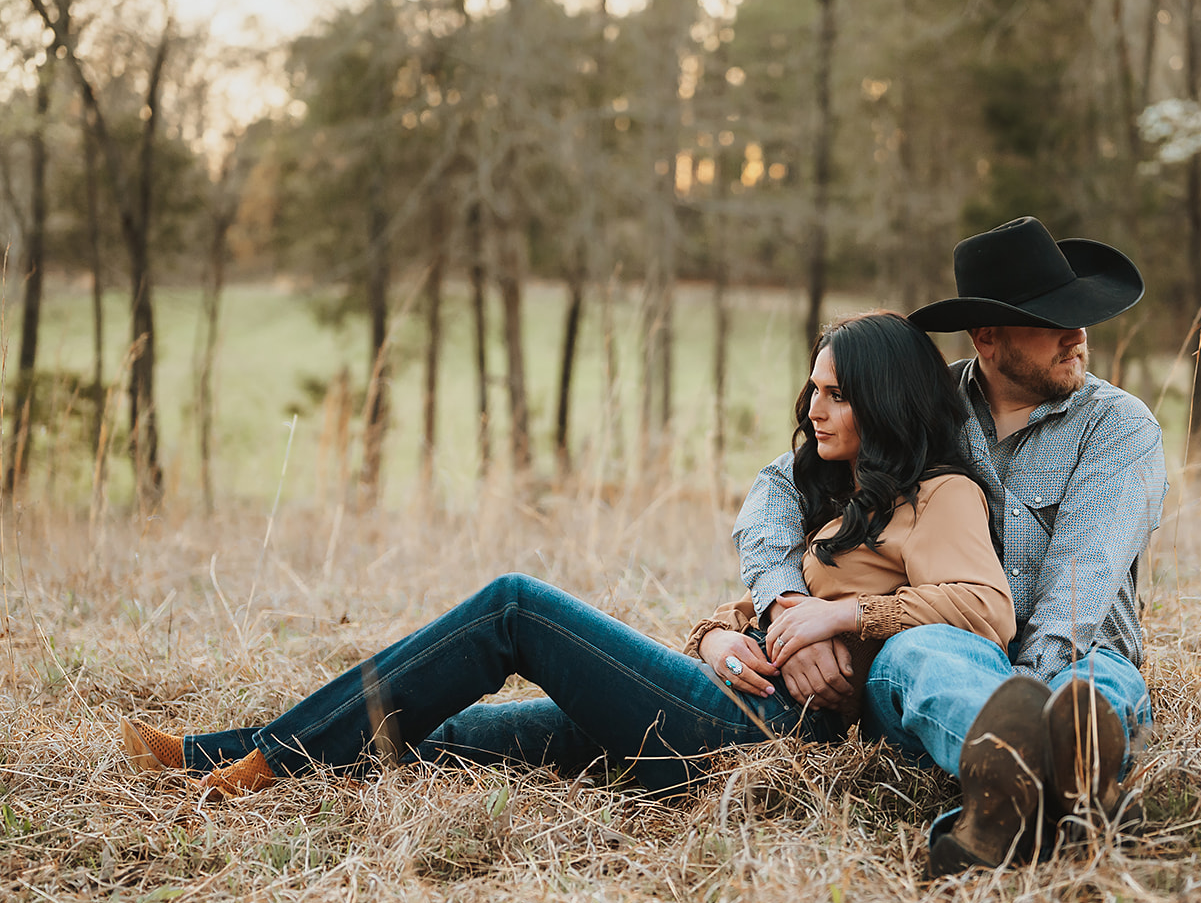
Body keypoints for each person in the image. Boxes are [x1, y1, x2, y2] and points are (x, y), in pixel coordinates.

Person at [119, 312, 1015, 799]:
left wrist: (840, 614)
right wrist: (716, 636)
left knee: (514, 606)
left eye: (836, 395)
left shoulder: (941, 496)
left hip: (763, 734)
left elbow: (984, 608)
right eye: (812, 390)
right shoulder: (843, 503)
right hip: (718, 698)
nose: (814, 410)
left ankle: (256, 768)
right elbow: (750, 612)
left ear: (885, 399)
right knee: (450, 739)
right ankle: (209, 756)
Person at [734, 217, 1167, 874]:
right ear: (987, 337)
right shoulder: (931, 403)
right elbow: (779, 486)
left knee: (1092, 693)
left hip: (1079, 655)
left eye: (1079, 317)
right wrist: (786, 603)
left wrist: (1022, 698)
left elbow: (1079, 591)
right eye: (1052, 320)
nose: (1078, 336)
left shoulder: (1118, 428)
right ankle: (1069, 805)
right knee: (923, 653)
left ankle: (1008, 808)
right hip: (951, 649)